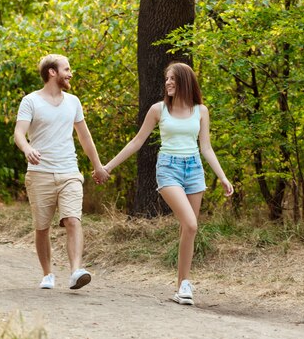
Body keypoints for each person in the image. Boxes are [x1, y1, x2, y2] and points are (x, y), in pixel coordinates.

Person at [97, 62, 233, 305]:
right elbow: (137, 142)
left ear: (185, 81)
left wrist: (222, 177)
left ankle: (182, 285)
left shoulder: (201, 110)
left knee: (187, 229)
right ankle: (184, 284)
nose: (168, 83)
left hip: (194, 170)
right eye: (166, 79)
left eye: (172, 79)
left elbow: (206, 147)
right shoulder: (158, 109)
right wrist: (108, 166)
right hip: (168, 168)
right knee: (191, 225)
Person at [14, 53, 109, 290]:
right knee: (42, 227)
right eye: (66, 69)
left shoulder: (73, 102)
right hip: (40, 173)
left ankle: (76, 271)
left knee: (73, 219)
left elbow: (84, 137)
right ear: (52, 72)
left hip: (69, 171)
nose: (70, 73)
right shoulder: (31, 101)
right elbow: (19, 132)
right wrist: (27, 148)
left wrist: (97, 165)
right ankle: (47, 274)